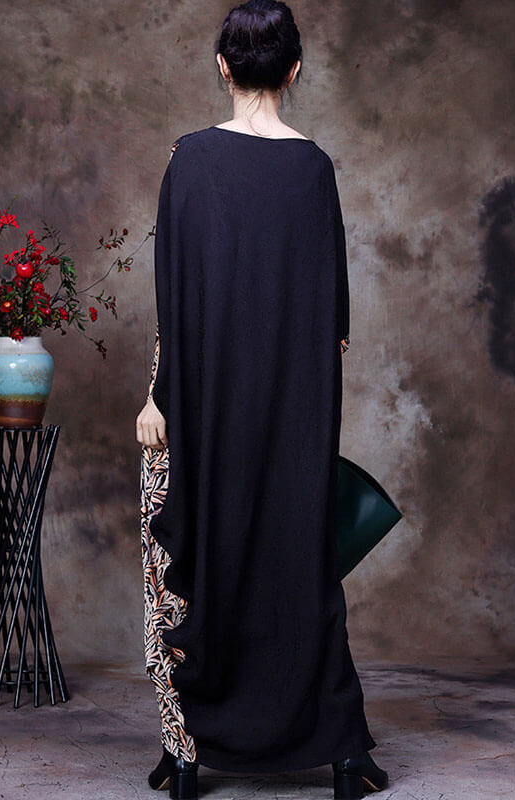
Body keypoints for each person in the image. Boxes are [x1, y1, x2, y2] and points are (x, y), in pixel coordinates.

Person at [135, 2, 389, 797]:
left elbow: (174, 303)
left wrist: (157, 398)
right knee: (300, 564)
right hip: (294, 412)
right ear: (294, 69)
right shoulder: (314, 170)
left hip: (205, 406)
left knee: (190, 562)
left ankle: (186, 752)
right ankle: (341, 753)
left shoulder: (190, 161)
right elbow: (333, 325)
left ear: (222, 66)